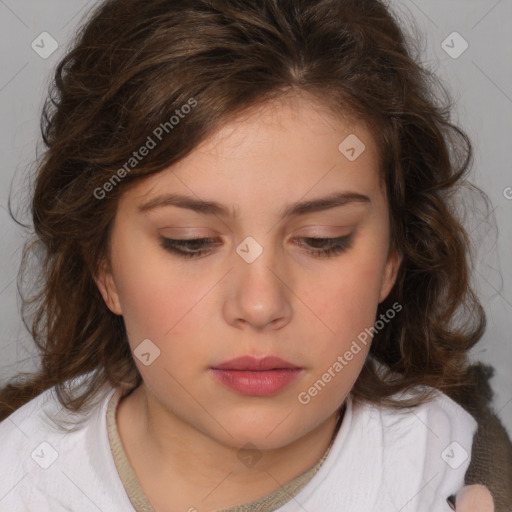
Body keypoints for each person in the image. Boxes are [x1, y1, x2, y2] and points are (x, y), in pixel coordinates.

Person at [0, 0, 510, 510]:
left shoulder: (457, 478)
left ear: (392, 257)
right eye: (190, 241)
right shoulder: (19, 477)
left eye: (322, 239)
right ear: (103, 266)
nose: (261, 304)